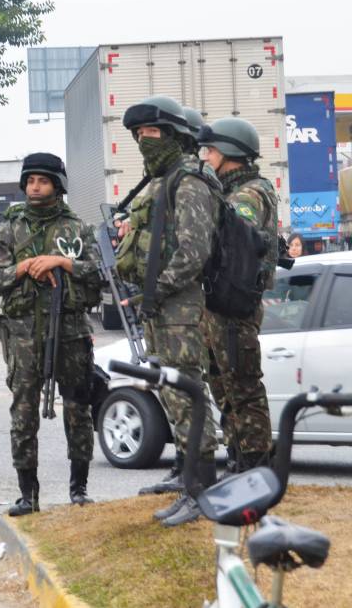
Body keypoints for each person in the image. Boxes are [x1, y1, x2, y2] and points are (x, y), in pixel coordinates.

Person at [116, 96, 219, 527]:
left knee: (189, 398)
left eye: (151, 134)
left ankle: (204, 493)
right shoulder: (165, 181)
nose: (143, 142)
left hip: (182, 307)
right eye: (138, 136)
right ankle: (191, 487)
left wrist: (155, 290)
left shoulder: (190, 182)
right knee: (174, 399)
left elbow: (194, 252)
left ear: (175, 136)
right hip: (162, 307)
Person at [0, 152, 103, 516]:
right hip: (22, 335)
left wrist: (61, 262)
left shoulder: (76, 228)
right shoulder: (10, 229)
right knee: (23, 414)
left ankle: (79, 489)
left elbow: (98, 275)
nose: (35, 187)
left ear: (57, 186)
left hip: (69, 332)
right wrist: (22, 268)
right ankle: (27, 495)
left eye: (43, 181)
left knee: (78, 412)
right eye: (31, 181)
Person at [197, 118, 277, 472]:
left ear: (229, 152)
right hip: (220, 305)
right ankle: (237, 455)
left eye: (211, 150)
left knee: (243, 388)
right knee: (223, 386)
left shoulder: (248, 194)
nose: (206, 155)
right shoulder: (230, 190)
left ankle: (256, 464)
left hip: (235, 307)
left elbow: (236, 237)